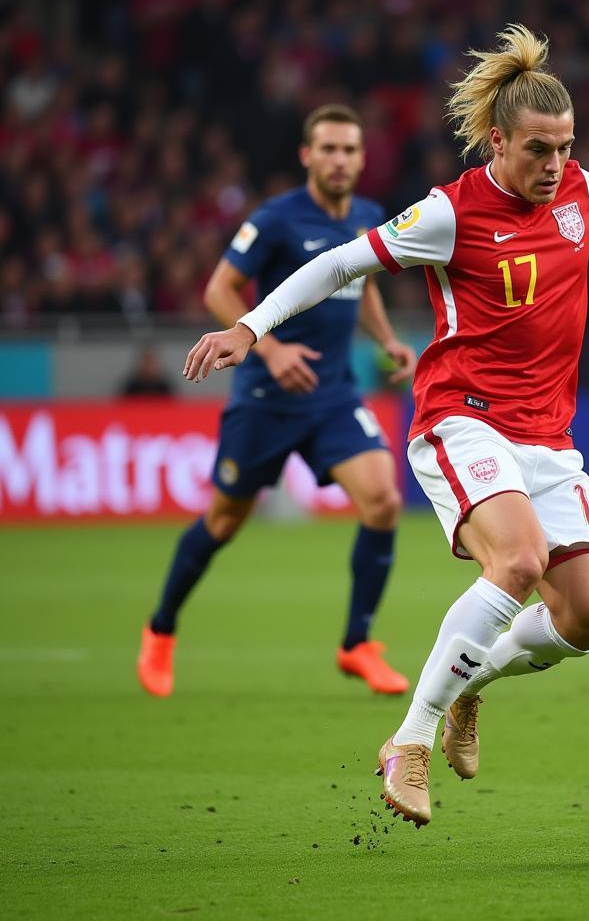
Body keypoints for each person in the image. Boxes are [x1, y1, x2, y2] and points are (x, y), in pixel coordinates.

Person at [182, 26, 589, 826]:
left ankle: (469, 686)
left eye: (566, 148)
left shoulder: (579, 193)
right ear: (497, 141)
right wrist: (252, 328)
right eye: (538, 149)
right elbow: (338, 264)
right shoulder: (448, 212)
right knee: (517, 560)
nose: (555, 166)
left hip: (549, 437)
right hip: (462, 419)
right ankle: (410, 743)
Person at [137, 104, 417, 698]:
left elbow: (358, 286)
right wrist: (271, 351)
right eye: (329, 149)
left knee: (384, 501)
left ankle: (357, 644)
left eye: (350, 150)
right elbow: (218, 290)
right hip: (265, 399)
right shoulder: (276, 219)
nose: (340, 160)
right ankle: (160, 630)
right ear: (307, 156)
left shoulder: (369, 216)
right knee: (223, 522)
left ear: (363, 158)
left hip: (334, 396)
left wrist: (388, 339)